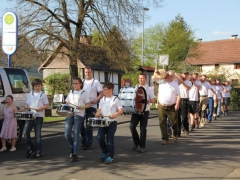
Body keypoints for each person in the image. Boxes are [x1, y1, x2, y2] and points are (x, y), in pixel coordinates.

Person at [95, 82, 123, 163]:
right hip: (103, 121)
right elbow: (99, 110)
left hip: (112, 122)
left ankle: (110, 156)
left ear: (111, 90)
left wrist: (115, 114)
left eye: (105, 89)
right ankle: (104, 151)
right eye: (103, 89)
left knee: (110, 140)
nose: (104, 91)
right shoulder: (102, 99)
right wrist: (97, 114)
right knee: (99, 137)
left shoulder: (115, 99)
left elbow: (121, 110)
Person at [21, 78, 49, 158]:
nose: (38, 87)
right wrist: (24, 107)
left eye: (39, 86)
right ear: (33, 87)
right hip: (30, 115)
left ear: (41, 86)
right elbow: (27, 104)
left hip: (39, 116)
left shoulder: (43, 94)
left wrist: (41, 108)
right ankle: (30, 148)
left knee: (37, 135)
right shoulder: (30, 94)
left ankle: (38, 151)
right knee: (26, 132)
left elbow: (47, 105)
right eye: (36, 86)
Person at [65, 77, 91, 162]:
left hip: (79, 115)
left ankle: (75, 154)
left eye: (76, 83)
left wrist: (82, 106)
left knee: (76, 134)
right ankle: (73, 147)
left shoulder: (84, 93)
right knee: (67, 134)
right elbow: (67, 102)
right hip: (70, 114)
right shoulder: (70, 92)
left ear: (80, 84)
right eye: (73, 83)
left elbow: (88, 105)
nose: (74, 85)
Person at [130, 73, 155, 153]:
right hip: (136, 111)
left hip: (145, 110)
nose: (141, 80)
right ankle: (136, 142)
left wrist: (148, 100)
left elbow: (153, 100)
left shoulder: (149, 89)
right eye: (139, 78)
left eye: (142, 78)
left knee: (143, 129)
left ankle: (142, 146)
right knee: (132, 127)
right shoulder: (135, 88)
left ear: (145, 79)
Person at [153, 70, 180, 145]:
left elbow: (178, 95)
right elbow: (154, 78)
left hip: (171, 106)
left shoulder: (175, 84)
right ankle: (165, 139)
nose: (169, 76)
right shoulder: (162, 81)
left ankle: (175, 134)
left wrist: (177, 104)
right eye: (168, 75)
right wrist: (156, 72)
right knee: (162, 122)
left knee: (174, 122)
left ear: (174, 77)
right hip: (162, 105)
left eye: (171, 75)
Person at [81, 66, 103, 150]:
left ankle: (88, 143)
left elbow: (101, 93)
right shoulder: (82, 82)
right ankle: (84, 140)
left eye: (89, 72)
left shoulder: (95, 82)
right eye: (86, 72)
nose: (87, 74)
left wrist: (96, 99)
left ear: (92, 72)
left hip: (92, 106)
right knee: (80, 125)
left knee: (89, 124)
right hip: (83, 106)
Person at [177, 71, 192, 136]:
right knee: (177, 117)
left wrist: (182, 82)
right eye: (184, 74)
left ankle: (186, 128)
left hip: (184, 99)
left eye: (186, 75)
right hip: (177, 99)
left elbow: (187, 88)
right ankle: (178, 131)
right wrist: (179, 80)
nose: (185, 76)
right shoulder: (177, 82)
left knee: (184, 116)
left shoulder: (189, 82)